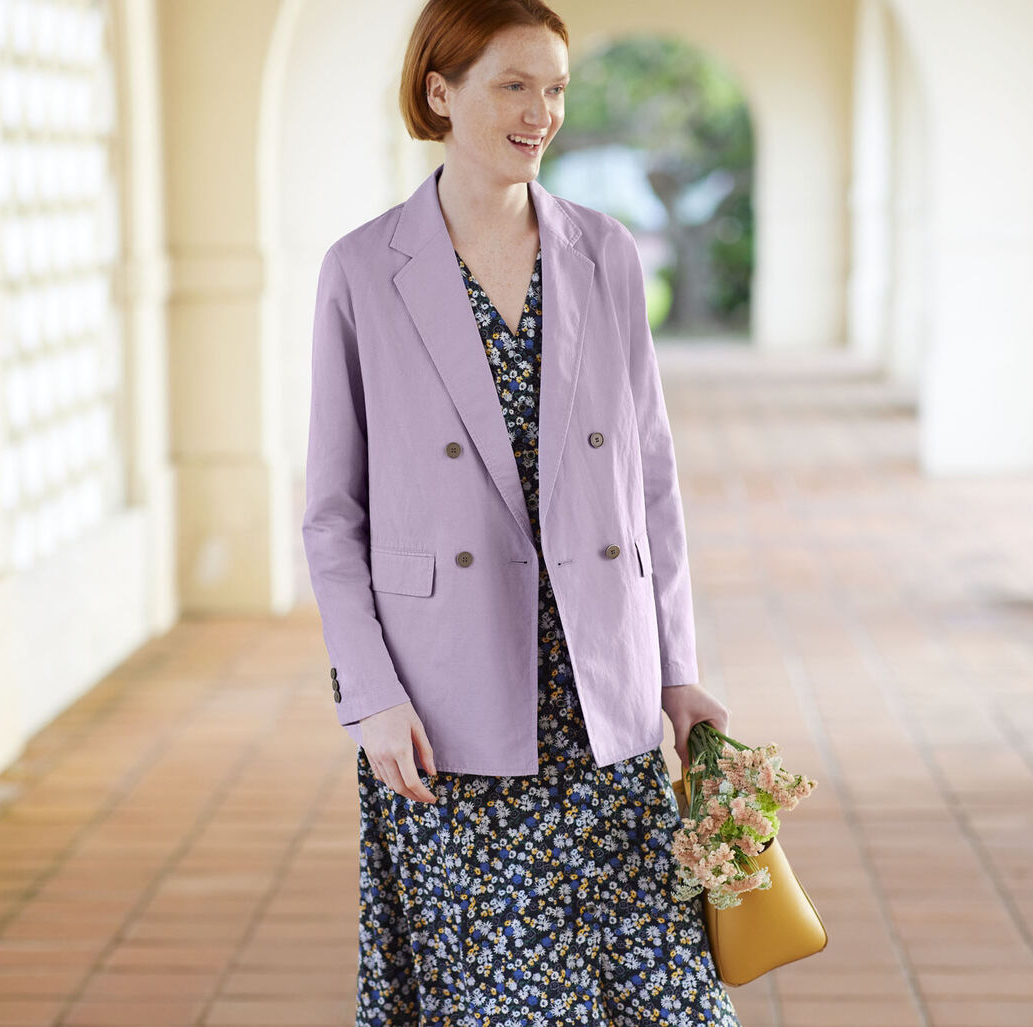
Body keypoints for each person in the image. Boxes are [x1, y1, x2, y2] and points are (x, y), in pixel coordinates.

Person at [301, 0, 744, 1022]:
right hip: (450, 700)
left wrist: (675, 669)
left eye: (555, 88)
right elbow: (332, 514)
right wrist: (369, 696)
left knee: (665, 994)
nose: (539, 112)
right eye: (513, 84)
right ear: (438, 91)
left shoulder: (606, 254)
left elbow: (651, 484)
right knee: (501, 998)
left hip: (603, 690)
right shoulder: (363, 271)